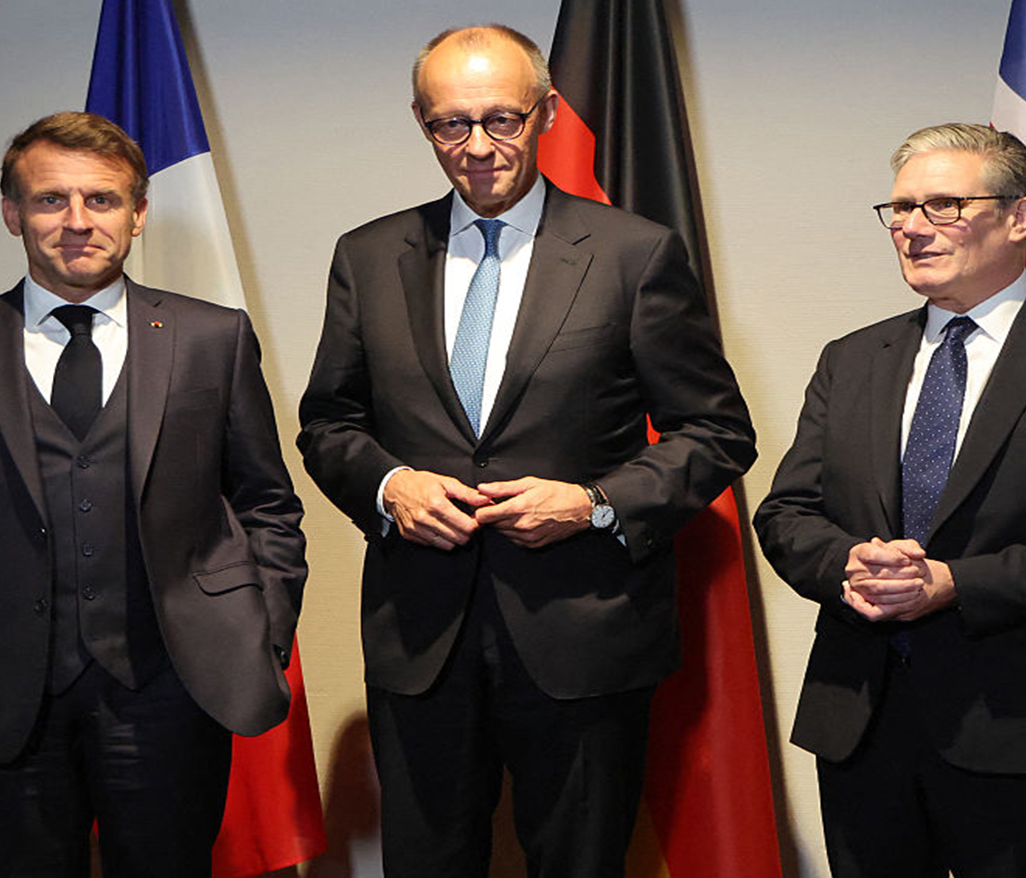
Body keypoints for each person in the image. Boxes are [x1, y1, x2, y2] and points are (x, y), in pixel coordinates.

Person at [297, 25, 755, 877]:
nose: (478, 147)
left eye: (503, 119)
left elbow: (719, 432)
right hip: (420, 635)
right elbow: (327, 423)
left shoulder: (634, 253)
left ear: (545, 112)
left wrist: (594, 503)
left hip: (583, 634)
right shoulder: (366, 256)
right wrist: (390, 486)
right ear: (421, 123)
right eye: (450, 124)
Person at [0, 111, 305, 877]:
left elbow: (267, 503)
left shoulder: (213, 337)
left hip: (174, 687)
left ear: (138, 213)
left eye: (101, 200)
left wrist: (256, 636)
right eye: (50, 200)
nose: (77, 222)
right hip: (0, 691)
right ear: (12, 212)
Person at [754, 122, 1026, 877]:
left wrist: (957, 584)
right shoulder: (852, 358)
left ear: (1019, 216)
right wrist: (848, 561)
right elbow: (787, 512)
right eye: (901, 210)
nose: (913, 228)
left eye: (944, 205)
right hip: (861, 721)